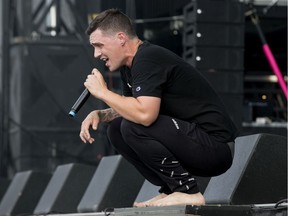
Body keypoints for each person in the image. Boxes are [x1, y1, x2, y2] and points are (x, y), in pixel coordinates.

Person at [79, 8, 238, 207]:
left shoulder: (148, 58)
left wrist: (103, 92)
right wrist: (102, 114)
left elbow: (145, 115)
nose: (96, 54)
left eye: (99, 45)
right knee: (116, 129)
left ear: (121, 38)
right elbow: (130, 108)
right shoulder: (129, 67)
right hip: (192, 142)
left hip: (216, 148)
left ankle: (188, 191)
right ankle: (171, 189)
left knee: (132, 126)